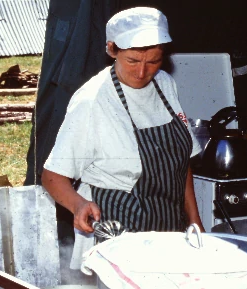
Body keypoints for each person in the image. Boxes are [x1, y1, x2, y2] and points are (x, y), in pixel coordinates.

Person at [41, 6, 205, 270]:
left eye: (153, 61)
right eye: (132, 61)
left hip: (169, 234)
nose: (142, 73)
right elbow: (51, 176)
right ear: (111, 50)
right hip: (118, 238)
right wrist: (79, 204)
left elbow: (180, 162)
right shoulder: (92, 100)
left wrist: (195, 221)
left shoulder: (165, 84)